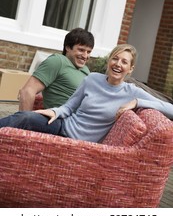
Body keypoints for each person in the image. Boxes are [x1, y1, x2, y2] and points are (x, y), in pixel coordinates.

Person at [0, 44, 173, 143]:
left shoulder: (132, 92)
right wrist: (55, 112)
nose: (118, 64)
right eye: (115, 58)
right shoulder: (92, 79)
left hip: (81, 144)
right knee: (25, 117)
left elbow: (170, 108)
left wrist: (137, 102)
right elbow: (69, 107)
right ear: (109, 61)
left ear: (130, 69)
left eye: (124, 62)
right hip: (61, 125)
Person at [18, 28, 94, 110]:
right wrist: (25, 120)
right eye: (81, 50)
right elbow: (28, 91)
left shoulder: (85, 70)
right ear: (68, 47)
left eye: (88, 52)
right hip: (61, 119)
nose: (85, 56)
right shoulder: (58, 61)